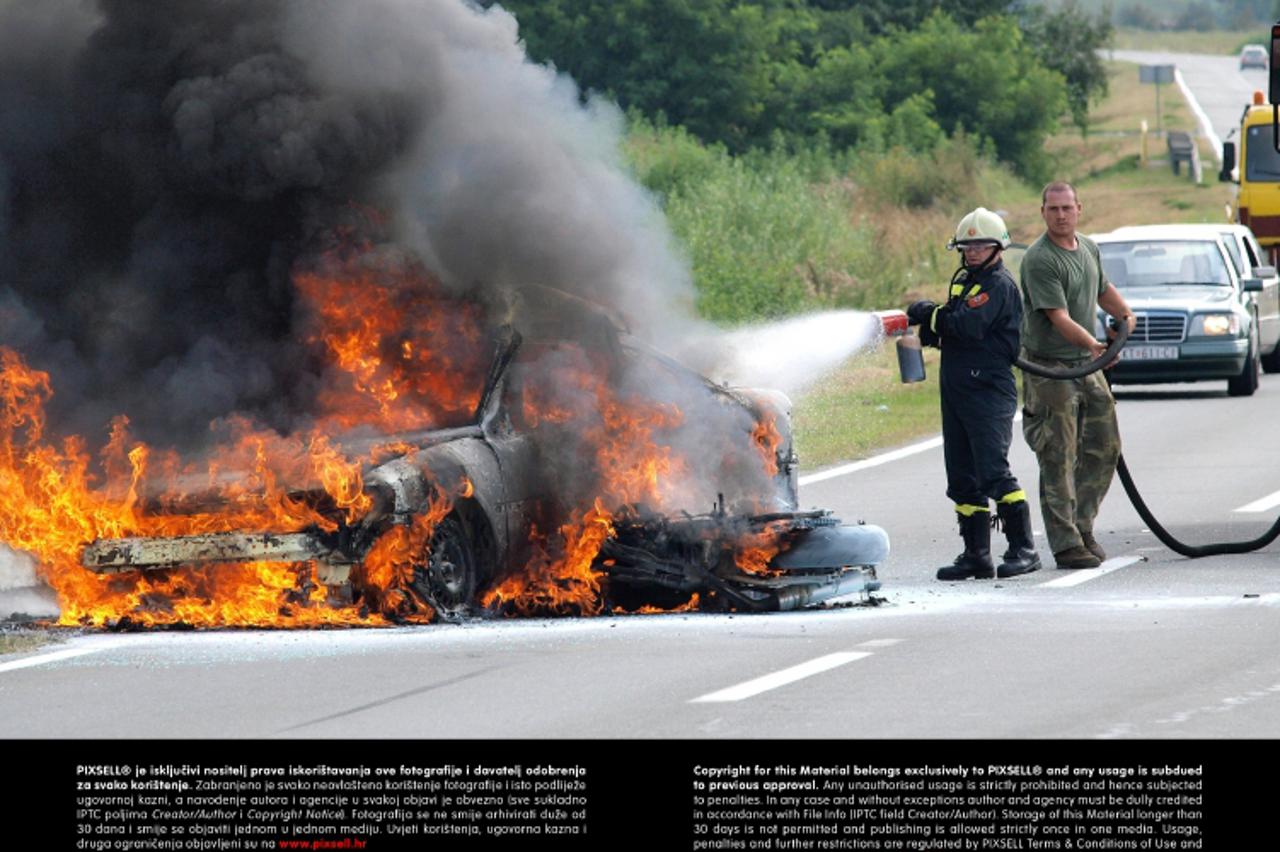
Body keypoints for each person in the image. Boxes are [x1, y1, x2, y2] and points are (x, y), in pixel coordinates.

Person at [907, 208, 1040, 581]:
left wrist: (929, 314)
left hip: (987, 388)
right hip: (957, 386)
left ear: (998, 248)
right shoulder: (966, 280)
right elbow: (951, 323)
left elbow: (965, 324)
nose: (972, 251)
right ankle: (976, 554)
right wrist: (933, 328)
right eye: (967, 245)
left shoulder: (998, 285)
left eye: (981, 245)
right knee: (962, 476)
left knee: (993, 473)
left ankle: (1023, 549)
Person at [1019, 181, 1136, 569]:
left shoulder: (1087, 247)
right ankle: (1066, 543)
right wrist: (1095, 347)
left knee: (1104, 446)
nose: (1061, 215)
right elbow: (1059, 318)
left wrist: (1125, 315)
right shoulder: (1040, 259)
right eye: (1053, 209)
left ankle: (1083, 526)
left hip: (1086, 365)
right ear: (1043, 213)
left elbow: (1102, 288)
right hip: (1050, 368)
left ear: (1079, 209)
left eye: (1067, 208)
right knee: (1058, 454)